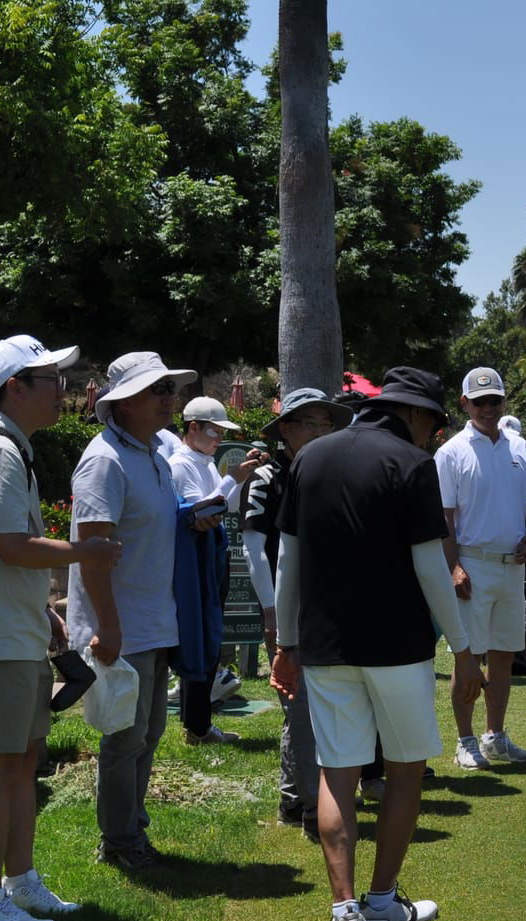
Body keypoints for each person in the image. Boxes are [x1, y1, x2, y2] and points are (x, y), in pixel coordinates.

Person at [269, 367, 484, 921]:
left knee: (337, 771)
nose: (433, 435)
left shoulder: (310, 458)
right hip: (396, 646)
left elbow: (289, 563)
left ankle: (344, 911)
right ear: (414, 415)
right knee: (406, 767)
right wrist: (463, 650)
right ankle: (383, 899)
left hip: (325, 643)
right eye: (434, 423)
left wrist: (286, 643)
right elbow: (429, 567)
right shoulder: (413, 465)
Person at [0, 335, 120, 921]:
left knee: (21, 762)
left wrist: (43, 610)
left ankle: (19, 882)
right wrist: (84, 550)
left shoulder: (9, 447)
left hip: (13, 633)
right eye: (52, 381)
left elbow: (2, 551)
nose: (63, 393)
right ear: (14, 387)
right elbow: (11, 546)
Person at [67, 351, 196, 870]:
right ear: (121, 403)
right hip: (122, 626)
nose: (169, 398)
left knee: (148, 734)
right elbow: (93, 551)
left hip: (154, 620)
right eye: (157, 390)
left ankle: (130, 830)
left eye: (170, 387)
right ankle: (119, 841)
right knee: (125, 739)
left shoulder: (154, 452)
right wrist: (108, 627)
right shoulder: (105, 460)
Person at [250, 388, 352, 835]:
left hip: (327, 605)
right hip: (287, 608)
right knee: (301, 706)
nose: (319, 432)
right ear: (285, 429)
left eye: (325, 424)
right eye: (309, 423)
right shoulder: (268, 477)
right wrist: (273, 613)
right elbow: (255, 550)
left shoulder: (333, 473)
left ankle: (298, 798)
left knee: (314, 707)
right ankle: (310, 806)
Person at [436, 366, 526, 769]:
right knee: (467, 655)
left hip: (513, 567)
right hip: (472, 565)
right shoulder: (451, 452)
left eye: (494, 400)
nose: (487, 407)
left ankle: (494, 736)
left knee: (503, 655)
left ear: (503, 402)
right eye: (479, 401)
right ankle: (465, 740)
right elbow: (443, 517)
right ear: (464, 403)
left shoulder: (519, 448)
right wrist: (452, 566)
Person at [168, 396, 263, 745]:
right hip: (196, 557)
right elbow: (201, 513)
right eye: (214, 430)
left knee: (210, 636)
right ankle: (196, 724)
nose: (218, 438)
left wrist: (236, 480)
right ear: (193, 427)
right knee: (199, 636)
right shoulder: (181, 464)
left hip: (212, 553)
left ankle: (200, 723)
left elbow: (225, 506)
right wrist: (231, 479)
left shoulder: (204, 461)